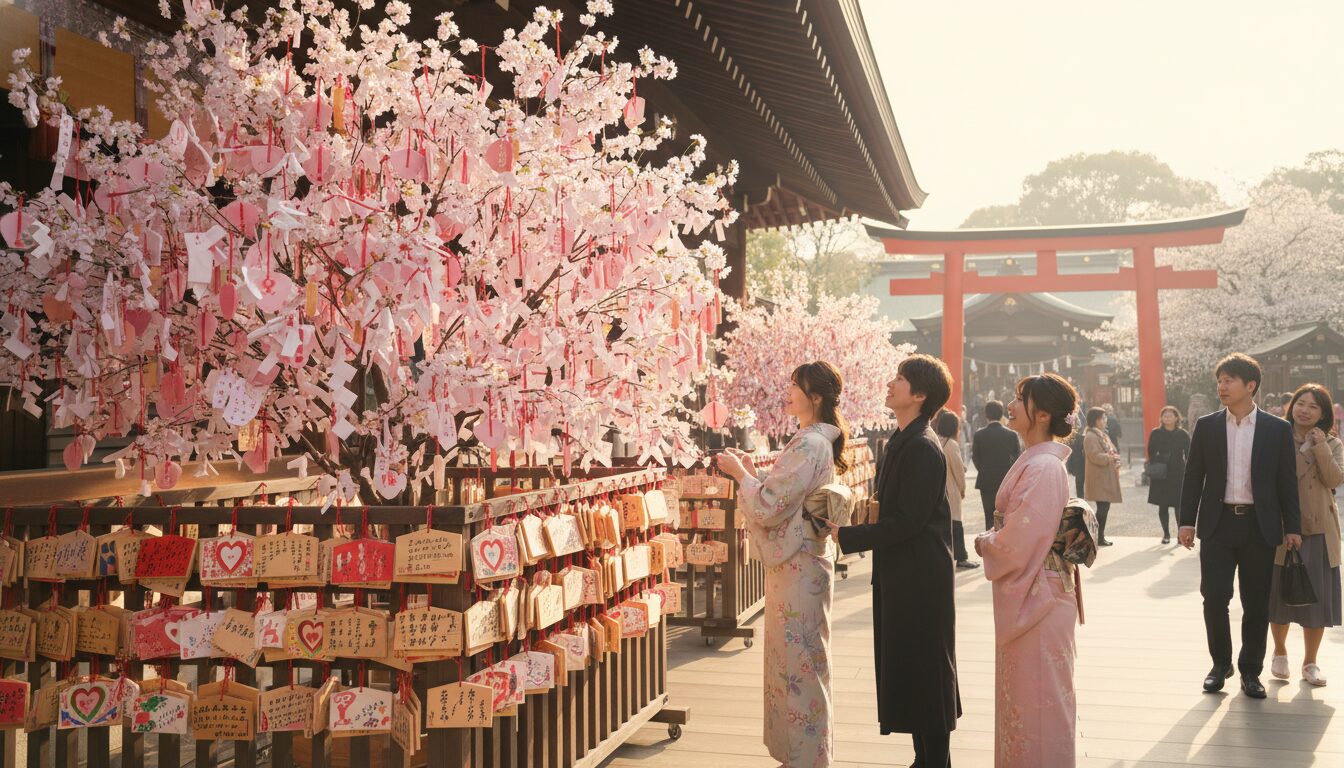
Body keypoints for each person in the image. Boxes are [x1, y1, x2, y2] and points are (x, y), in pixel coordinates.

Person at [828, 354, 961, 767]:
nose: (890, 383)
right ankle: (925, 758)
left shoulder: (921, 445)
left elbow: (908, 520)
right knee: (914, 668)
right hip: (905, 570)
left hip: (920, 575)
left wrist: (847, 535)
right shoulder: (905, 438)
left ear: (920, 395)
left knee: (926, 670)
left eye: (900, 379)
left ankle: (934, 761)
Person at [715, 361, 847, 767]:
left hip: (799, 566)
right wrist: (751, 473)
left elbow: (771, 504)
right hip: (800, 564)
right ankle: (800, 755)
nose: (788, 392)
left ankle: (806, 758)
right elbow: (782, 492)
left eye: (796, 386)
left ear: (816, 397)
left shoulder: (811, 444)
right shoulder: (812, 442)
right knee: (797, 661)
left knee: (799, 664)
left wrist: (740, 475)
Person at [1179, 353, 1302, 699]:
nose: (1222, 386)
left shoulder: (1277, 429)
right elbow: (1193, 476)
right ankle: (1220, 665)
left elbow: (1286, 482)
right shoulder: (1207, 426)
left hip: (1259, 526)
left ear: (1250, 385)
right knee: (1214, 597)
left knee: (1256, 602)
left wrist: (1293, 527)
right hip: (1217, 525)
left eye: (1229, 380)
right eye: (1219, 380)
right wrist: (1186, 521)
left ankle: (1250, 670)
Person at [974, 373, 1081, 767]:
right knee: (1025, 699)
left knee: (1039, 704)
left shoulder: (1044, 468)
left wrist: (987, 542)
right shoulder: (1037, 461)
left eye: (1020, 399)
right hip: (1037, 591)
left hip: (1040, 598)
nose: (1011, 405)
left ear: (1043, 414)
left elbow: (1019, 541)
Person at [1269, 384, 1343, 687]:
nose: (1304, 410)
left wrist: (1320, 445)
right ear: (1292, 406)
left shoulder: (1332, 442)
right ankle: (1280, 651)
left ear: (1323, 413)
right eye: (1300, 403)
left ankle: (1310, 662)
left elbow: (1334, 479)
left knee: (1317, 601)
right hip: (1282, 527)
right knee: (1279, 596)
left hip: (1320, 529)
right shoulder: (1277, 437)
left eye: (1313, 406)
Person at [937, 410, 978, 570]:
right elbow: (958, 472)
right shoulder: (951, 444)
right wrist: (962, 488)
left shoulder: (937, 441)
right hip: (951, 489)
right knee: (956, 524)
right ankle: (961, 557)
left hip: (939, 489)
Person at [973, 400, 1021, 532]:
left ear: (986, 415)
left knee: (989, 515)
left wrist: (984, 470)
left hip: (986, 480)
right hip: (1006, 481)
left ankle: (989, 541)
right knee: (1006, 515)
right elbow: (1017, 458)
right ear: (1001, 414)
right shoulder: (1012, 435)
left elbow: (976, 458)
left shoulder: (979, 435)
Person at [1147, 406, 1190, 544]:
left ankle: (1179, 535)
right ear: (1161, 418)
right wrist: (1158, 460)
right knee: (1163, 504)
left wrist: (1189, 470)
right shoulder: (1156, 433)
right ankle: (1166, 534)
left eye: (1170, 415)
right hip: (1162, 472)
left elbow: (1188, 453)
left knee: (1179, 505)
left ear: (1176, 418)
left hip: (1178, 471)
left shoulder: (1183, 434)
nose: (1167, 418)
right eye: (1165, 416)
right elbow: (1150, 451)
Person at [1083, 407, 1122, 546]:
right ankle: (1096, 536)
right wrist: (1109, 457)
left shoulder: (1102, 434)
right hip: (1099, 477)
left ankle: (1098, 536)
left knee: (1104, 508)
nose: (1105, 421)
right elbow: (1094, 456)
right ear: (1096, 420)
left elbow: (1113, 450)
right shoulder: (1091, 436)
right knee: (1103, 508)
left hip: (1104, 476)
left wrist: (1114, 456)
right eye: (1103, 418)